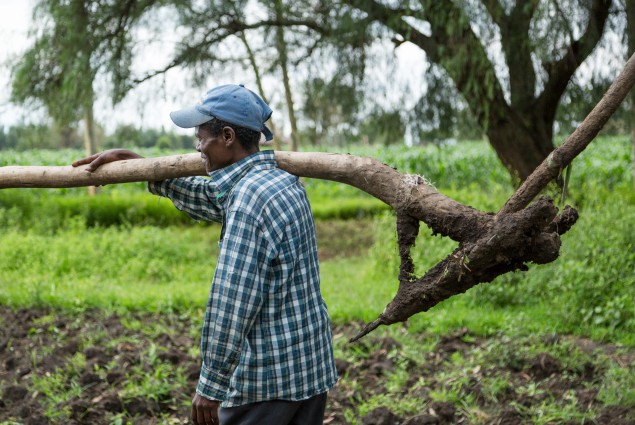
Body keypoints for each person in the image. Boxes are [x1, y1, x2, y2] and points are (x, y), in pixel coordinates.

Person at [72, 84, 338, 425]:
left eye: (201, 138)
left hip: (267, 383)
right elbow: (211, 197)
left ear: (227, 136)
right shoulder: (281, 182)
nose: (198, 148)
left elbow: (231, 303)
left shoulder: (248, 202)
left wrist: (210, 386)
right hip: (308, 371)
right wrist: (139, 166)